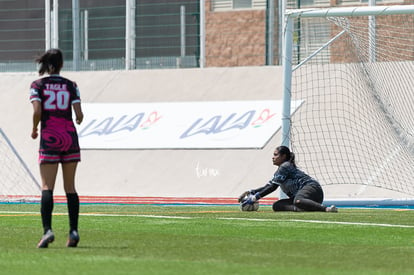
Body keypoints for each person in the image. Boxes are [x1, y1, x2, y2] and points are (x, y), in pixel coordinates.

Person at [30, 49, 84, 248]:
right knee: (70, 187)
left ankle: (48, 231)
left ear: (48, 65)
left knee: (47, 187)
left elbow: (37, 111)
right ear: (61, 65)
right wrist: (76, 117)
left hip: (50, 138)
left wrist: (35, 128)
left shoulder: (37, 85)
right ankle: (74, 231)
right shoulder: (71, 85)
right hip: (69, 137)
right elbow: (79, 114)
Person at [239, 146, 338, 212]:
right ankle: (302, 209)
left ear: (283, 156)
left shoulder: (285, 166)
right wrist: (251, 191)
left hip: (312, 189)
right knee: (276, 206)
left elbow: (273, 187)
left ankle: (326, 209)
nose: (273, 157)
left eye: (276, 155)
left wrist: (254, 198)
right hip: (305, 198)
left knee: (298, 200)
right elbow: (268, 186)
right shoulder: (279, 171)